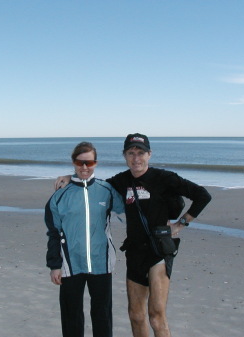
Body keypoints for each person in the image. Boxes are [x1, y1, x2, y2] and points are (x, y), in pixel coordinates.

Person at [55, 133, 211, 337]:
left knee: (156, 315)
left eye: (141, 153)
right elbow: (95, 186)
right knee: (136, 316)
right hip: (135, 253)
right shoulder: (121, 181)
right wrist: (71, 177)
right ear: (125, 156)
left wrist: (180, 224)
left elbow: (202, 196)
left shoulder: (164, 179)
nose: (136, 158)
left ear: (149, 154)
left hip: (158, 252)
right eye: (131, 153)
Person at [45, 141, 125, 337]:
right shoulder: (59, 196)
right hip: (70, 265)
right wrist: (54, 265)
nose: (84, 167)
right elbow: (53, 232)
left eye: (89, 163)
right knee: (71, 315)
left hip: (101, 263)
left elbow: (129, 208)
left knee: (102, 314)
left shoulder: (106, 190)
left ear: (96, 163)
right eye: (80, 163)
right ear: (73, 162)